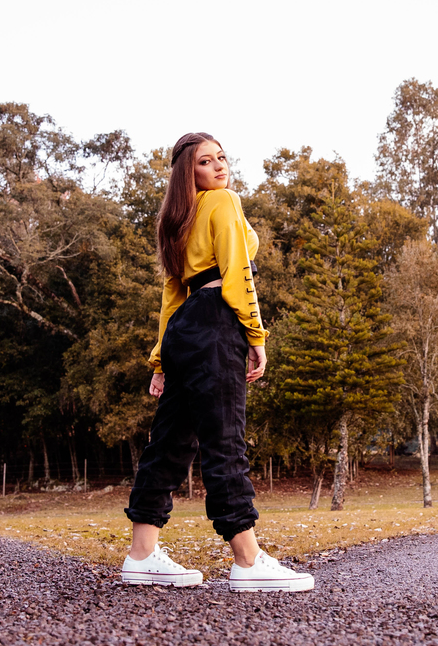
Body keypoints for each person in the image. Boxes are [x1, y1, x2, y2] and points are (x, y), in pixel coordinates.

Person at [121, 132, 314, 593]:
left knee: (169, 442)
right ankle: (247, 561)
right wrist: (256, 335)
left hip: (184, 330)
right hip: (214, 323)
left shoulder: (176, 222)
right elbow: (237, 275)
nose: (220, 167)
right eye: (206, 162)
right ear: (190, 172)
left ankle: (141, 555)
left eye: (222, 157)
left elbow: (172, 297)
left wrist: (161, 361)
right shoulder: (223, 202)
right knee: (224, 436)